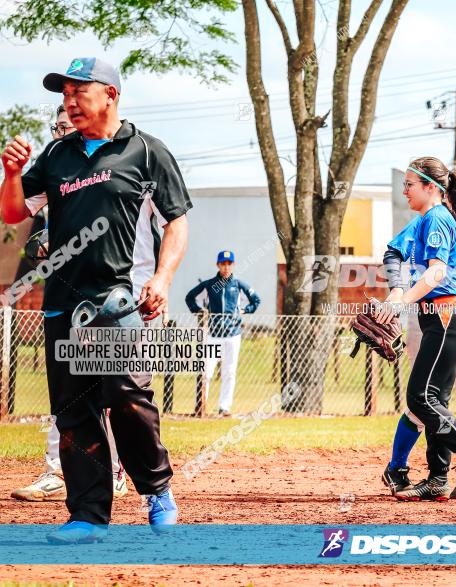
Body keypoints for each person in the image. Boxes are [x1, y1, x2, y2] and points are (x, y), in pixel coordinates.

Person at [0, 57, 191, 544]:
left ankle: (156, 489)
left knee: (126, 396)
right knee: (74, 410)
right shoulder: (57, 155)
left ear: (110, 94)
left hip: (121, 300)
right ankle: (87, 515)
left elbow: (177, 221)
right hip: (64, 303)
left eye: (78, 92)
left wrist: (164, 278)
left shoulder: (147, 153)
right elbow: (14, 213)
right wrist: (13, 172)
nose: (68, 102)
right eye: (64, 94)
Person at [11, 105, 128, 503]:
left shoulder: (122, 166)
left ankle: (114, 468)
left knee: (116, 393)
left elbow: (155, 233)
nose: (61, 131)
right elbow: (23, 219)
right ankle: (57, 470)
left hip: (121, 298)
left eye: (66, 125)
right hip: (66, 298)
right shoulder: (56, 172)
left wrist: (154, 285)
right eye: (58, 125)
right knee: (69, 393)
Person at [381, 161, 456, 499]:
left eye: (410, 184)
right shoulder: (434, 218)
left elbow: (438, 273)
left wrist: (401, 300)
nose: (405, 190)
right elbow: (395, 252)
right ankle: (436, 477)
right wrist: (398, 292)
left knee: (422, 398)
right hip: (442, 316)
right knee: (433, 399)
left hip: (448, 314)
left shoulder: (438, 218)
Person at [185, 250, 261, 416]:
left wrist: (245, 310)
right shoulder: (210, 284)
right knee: (207, 371)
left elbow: (256, 300)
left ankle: (224, 407)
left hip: (233, 334)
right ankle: (201, 406)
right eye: (223, 264)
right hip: (213, 335)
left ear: (233, 265)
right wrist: (199, 311)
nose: (226, 267)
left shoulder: (238, 285)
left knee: (229, 372)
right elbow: (190, 297)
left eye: (229, 264)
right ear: (218, 265)